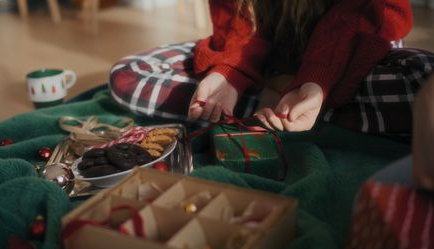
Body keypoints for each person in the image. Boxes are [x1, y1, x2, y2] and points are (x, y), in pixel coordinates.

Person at [110, 0, 434, 139]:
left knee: (423, 80)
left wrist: (315, 81)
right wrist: (229, 74)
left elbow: (369, 15)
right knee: (129, 73)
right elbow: (239, 22)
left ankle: (288, 106)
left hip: (352, 52)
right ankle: (290, 111)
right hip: (268, 57)